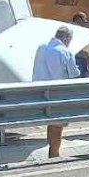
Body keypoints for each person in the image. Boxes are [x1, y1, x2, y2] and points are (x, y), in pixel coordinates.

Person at [32, 26, 80, 158]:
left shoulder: (41, 47)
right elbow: (73, 74)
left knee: (50, 122)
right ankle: (54, 154)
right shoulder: (65, 51)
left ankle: (51, 149)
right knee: (57, 125)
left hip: (39, 91)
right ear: (66, 38)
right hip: (58, 92)